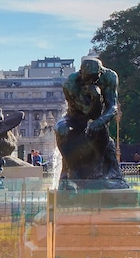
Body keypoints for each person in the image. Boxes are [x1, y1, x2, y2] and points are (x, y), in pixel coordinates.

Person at [55, 57, 129, 190]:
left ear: (100, 73)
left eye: (93, 79)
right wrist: (95, 97)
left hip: (97, 117)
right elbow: (88, 112)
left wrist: (100, 121)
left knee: (99, 128)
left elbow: (112, 107)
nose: (88, 82)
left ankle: (104, 172)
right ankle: (72, 171)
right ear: (80, 73)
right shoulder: (70, 83)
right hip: (73, 118)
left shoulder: (110, 77)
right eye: (86, 79)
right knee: (61, 129)